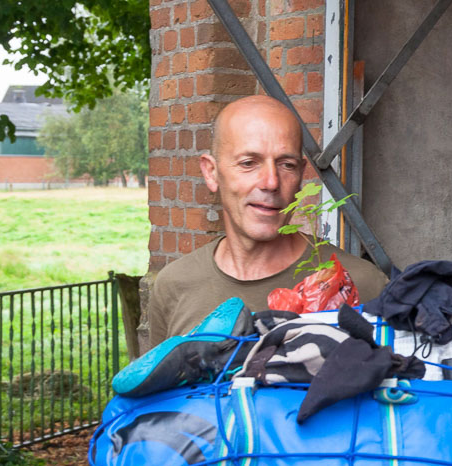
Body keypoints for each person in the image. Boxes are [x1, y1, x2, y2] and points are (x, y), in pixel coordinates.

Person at [146, 95, 387, 348]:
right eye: (249, 163)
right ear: (211, 173)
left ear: (301, 175)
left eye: (287, 164)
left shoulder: (362, 283)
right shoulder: (174, 286)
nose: (271, 182)